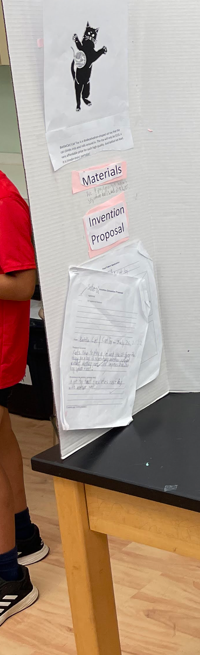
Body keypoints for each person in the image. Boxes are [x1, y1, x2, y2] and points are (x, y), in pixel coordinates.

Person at [0, 171, 48, 627]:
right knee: (2, 442)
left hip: (0, 351)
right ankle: (24, 537)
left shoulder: (4, 201)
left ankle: (8, 580)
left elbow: (22, 285)